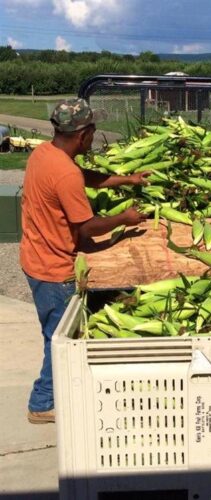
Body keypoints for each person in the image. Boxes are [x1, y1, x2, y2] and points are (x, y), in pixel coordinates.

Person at [20, 98, 150, 424]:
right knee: (58, 338)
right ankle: (42, 402)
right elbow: (87, 226)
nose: (94, 135)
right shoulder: (65, 172)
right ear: (84, 134)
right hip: (53, 267)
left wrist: (128, 179)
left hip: (34, 255)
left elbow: (85, 177)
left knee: (55, 333)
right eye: (93, 130)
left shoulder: (45, 154)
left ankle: (53, 393)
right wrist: (126, 218)